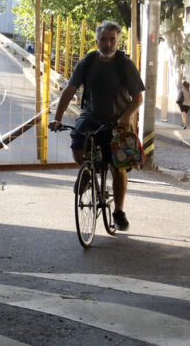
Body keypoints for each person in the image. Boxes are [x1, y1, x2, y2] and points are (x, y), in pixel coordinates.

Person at [49, 20, 144, 231]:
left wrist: (126, 116)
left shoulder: (124, 64)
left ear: (118, 41)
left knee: (118, 167)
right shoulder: (88, 62)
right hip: (90, 116)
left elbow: (138, 98)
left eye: (112, 39)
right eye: (103, 39)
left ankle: (118, 211)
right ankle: (87, 173)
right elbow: (69, 90)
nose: (108, 43)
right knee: (77, 149)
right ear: (96, 41)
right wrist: (58, 118)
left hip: (117, 120)